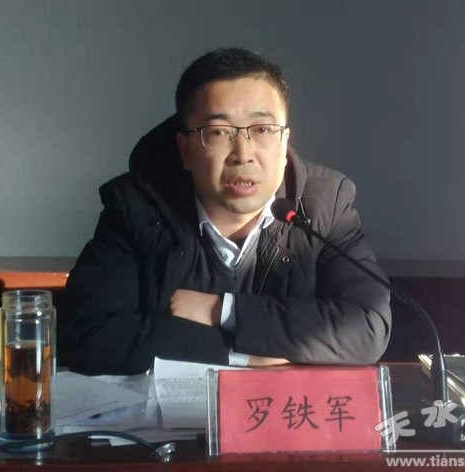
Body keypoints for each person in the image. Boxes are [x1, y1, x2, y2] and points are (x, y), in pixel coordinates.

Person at [65, 48, 391, 375]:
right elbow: (87, 333)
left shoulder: (326, 204)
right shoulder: (137, 205)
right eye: (219, 132)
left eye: (262, 129)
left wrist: (222, 310)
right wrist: (236, 354)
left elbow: (368, 326)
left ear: (284, 142)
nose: (242, 154)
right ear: (185, 150)